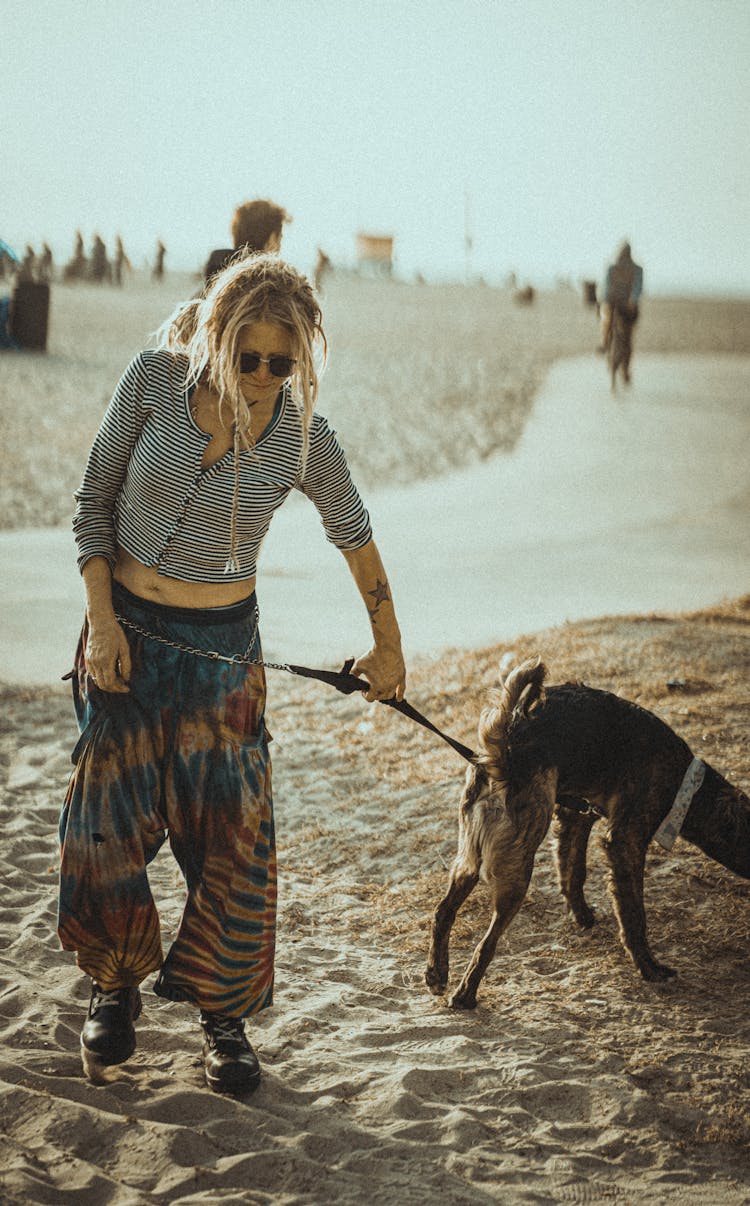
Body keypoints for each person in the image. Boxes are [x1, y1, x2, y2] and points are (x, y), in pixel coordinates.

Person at [59, 253, 406, 1095]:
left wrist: (388, 645)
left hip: (223, 659)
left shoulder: (300, 434)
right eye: (245, 356)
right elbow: (92, 505)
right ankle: (114, 984)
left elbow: (354, 533)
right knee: (104, 822)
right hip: (126, 644)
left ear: (300, 359)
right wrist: (103, 625)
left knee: (233, 842)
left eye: (278, 362)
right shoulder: (151, 382)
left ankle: (225, 1021)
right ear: (216, 335)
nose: (259, 376)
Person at [203, 198, 290, 282]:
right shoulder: (276, 289)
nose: (279, 248)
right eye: (280, 238)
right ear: (272, 239)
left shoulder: (210, 286)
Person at [598, 241, 643, 352]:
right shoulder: (616, 268)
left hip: (623, 304)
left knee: (625, 329)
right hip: (618, 303)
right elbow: (607, 286)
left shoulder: (616, 268)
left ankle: (605, 343)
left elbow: (637, 288)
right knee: (607, 319)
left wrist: (632, 300)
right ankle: (605, 342)